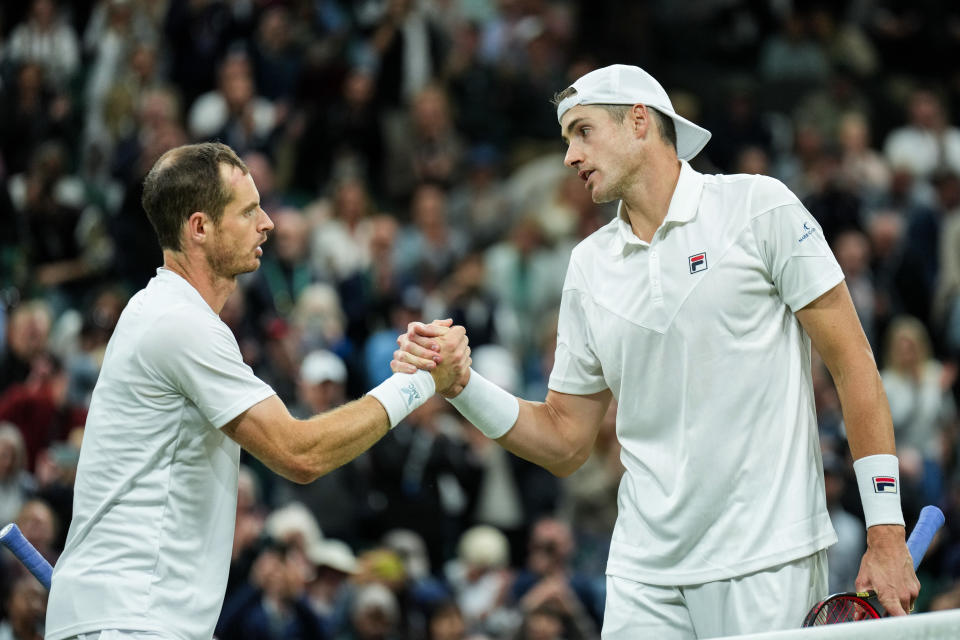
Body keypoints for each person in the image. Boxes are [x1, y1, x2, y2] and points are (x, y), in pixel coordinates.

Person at [394, 64, 919, 637]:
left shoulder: (759, 207)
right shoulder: (588, 266)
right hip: (641, 576)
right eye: (567, 138)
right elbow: (566, 441)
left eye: (583, 131)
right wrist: (462, 386)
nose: (569, 156)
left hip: (768, 559)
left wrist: (886, 531)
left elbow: (854, 367)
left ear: (639, 122)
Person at [43, 142, 471, 640]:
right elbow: (299, 453)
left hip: (131, 616)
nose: (267, 223)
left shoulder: (165, 313)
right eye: (248, 211)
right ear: (199, 228)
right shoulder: (179, 322)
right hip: (130, 621)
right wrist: (421, 381)